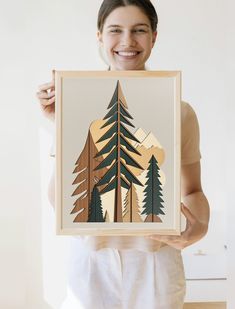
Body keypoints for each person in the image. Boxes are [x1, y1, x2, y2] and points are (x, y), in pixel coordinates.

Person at [36, 1, 210, 308]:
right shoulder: (75, 101)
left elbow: (193, 191)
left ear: (154, 36)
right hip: (92, 260)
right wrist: (61, 125)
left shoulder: (180, 112)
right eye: (115, 30)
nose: (127, 41)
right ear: (100, 36)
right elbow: (58, 198)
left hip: (155, 262)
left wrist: (199, 228)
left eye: (139, 30)